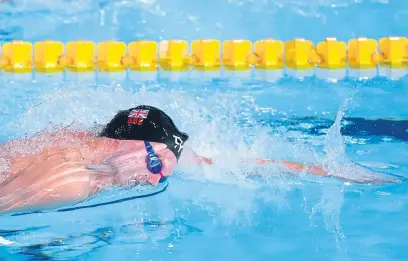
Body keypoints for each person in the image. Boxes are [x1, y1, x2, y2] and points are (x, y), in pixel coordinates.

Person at [0, 105, 383, 214]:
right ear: (133, 148)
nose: (156, 181)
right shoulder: (71, 176)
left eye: (165, 169)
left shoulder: (126, 149)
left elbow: (236, 166)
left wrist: (336, 174)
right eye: (154, 168)